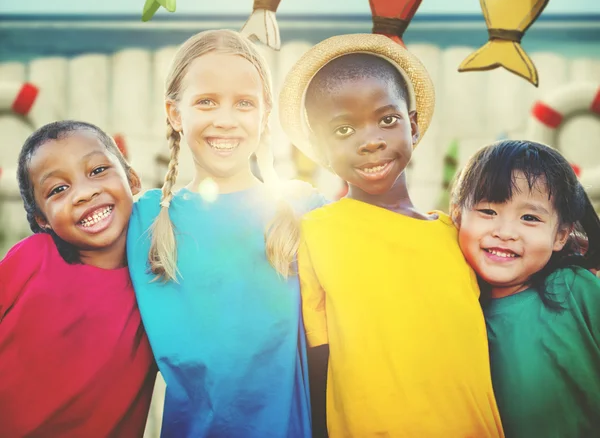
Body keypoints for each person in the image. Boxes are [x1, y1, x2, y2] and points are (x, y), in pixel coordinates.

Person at [278, 33, 505, 437]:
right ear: (319, 148)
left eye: (387, 119)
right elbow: (318, 359)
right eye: (344, 130)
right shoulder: (316, 232)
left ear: (413, 126)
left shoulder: (455, 234)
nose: (372, 141)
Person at [127, 29, 324, 437]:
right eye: (206, 102)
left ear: (265, 114)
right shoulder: (143, 220)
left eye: (244, 103)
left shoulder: (303, 211)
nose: (225, 120)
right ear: (175, 114)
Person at [0, 120, 157, 437]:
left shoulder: (157, 279)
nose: (85, 193)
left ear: (132, 179)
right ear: (42, 219)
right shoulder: (32, 258)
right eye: (58, 189)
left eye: (98, 170)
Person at [451, 139, 600, 438]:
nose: (505, 232)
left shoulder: (576, 289)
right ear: (457, 216)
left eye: (529, 218)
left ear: (560, 235)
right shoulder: (455, 311)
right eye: (487, 211)